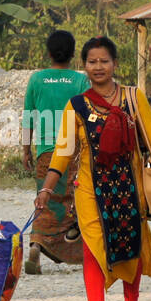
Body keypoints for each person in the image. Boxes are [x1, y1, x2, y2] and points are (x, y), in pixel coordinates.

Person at [36, 36, 151, 301]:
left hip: (128, 185)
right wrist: (46, 189)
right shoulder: (77, 105)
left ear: (115, 64)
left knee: (131, 244)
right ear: (84, 65)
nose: (98, 67)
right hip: (89, 187)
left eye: (104, 61)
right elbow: (63, 150)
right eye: (92, 62)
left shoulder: (133, 97)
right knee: (92, 247)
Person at [21, 30, 89, 274]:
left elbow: (28, 117)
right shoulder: (80, 80)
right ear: (73, 54)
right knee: (73, 200)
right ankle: (77, 246)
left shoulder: (37, 80)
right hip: (73, 151)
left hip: (46, 152)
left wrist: (26, 149)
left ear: (48, 53)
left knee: (45, 198)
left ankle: (36, 245)